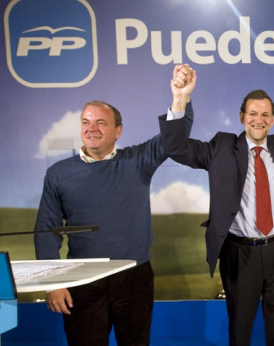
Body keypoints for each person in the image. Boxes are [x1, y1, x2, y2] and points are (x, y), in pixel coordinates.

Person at [158, 86, 274, 345]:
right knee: (241, 327)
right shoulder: (221, 147)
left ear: (273, 120)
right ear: (242, 116)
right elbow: (175, 147)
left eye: (265, 115)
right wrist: (178, 99)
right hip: (239, 252)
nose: (259, 120)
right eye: (253, 114)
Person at [34, 64, 196, 345]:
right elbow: (47, 230)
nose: (91, 129)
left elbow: (173, 139)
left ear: (118, 131)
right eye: (86, 122)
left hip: (134, 278)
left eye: (100, 123)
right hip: (82, 280)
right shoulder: (58, 173)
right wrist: (54, 282)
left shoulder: (138, 160)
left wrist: (180, 97)